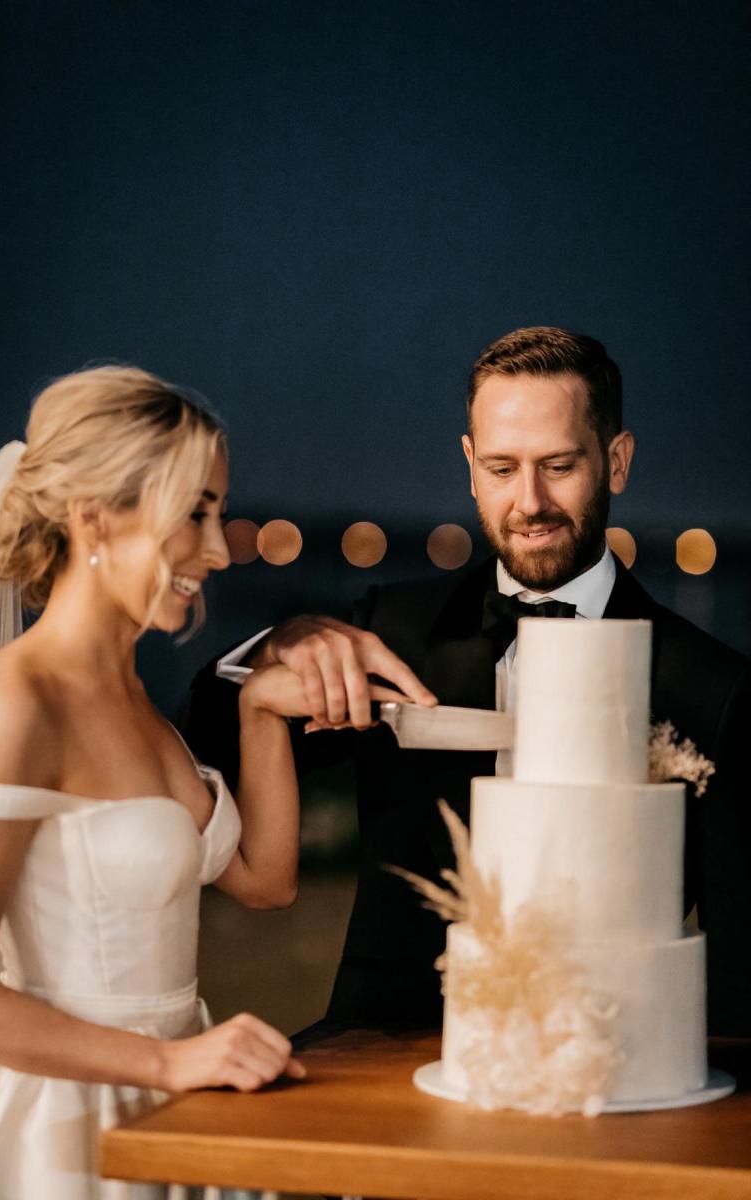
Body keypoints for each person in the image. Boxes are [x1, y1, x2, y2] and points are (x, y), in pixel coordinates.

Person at [186, 327, 751, 1040]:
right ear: (469, 466)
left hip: (598, 1074)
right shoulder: (392, 631)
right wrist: (280, 643)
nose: (530, 501)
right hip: (377, 1049)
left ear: (616, 461)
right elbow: (200, 752)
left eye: (558, 465)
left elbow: (740, 979)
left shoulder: (714, 687)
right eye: (502, 468)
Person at [0, 365, 346, 1199]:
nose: (216, 549)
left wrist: (260, 718)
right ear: (95, 516)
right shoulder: (19, 702)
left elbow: (267, 883)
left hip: (178, 1108)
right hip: (61, 1129)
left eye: (219, 513)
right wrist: (166, 1059)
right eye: (192, 513)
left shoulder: (139, 705)